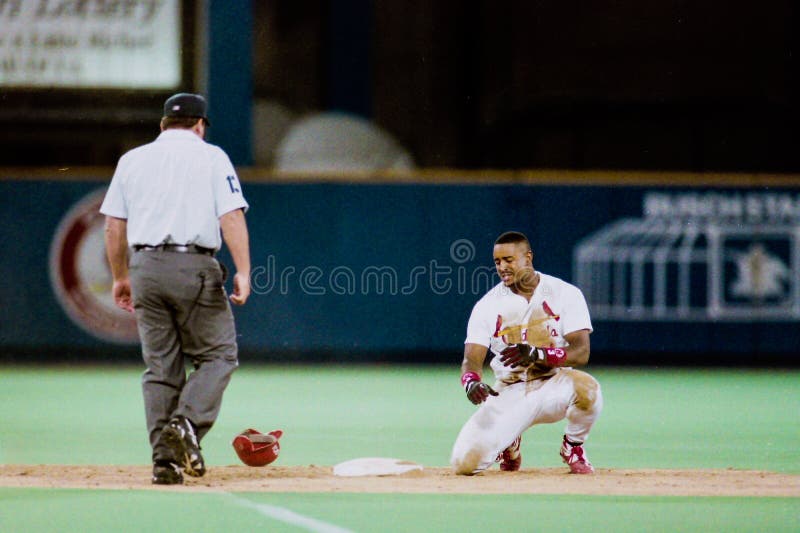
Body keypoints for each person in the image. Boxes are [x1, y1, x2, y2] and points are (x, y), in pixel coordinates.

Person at [100, 93, 251, 485]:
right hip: (194, 264)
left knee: (161, 368)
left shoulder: (132, 159)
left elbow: (113, 225)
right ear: (200, 125)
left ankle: (164, 461)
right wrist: (244, 270)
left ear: (163, 124)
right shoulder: (212, 155)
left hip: (145, 266)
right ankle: (185, 425)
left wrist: (120, 276)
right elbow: (231, 214)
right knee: (219, 355)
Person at [451, 231, 602, 475]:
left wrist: (538, 354)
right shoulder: (487, 305)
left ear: (528, 257)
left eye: (508, 260)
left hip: (555, 383)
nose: (502, 267)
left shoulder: (565, 293)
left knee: (590, 390)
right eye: (497, 262)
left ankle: (573, 446)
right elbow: (471, 360)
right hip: (510, 390)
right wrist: (471, 382)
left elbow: (581, 352)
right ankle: (510, 442)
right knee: (463, 465)